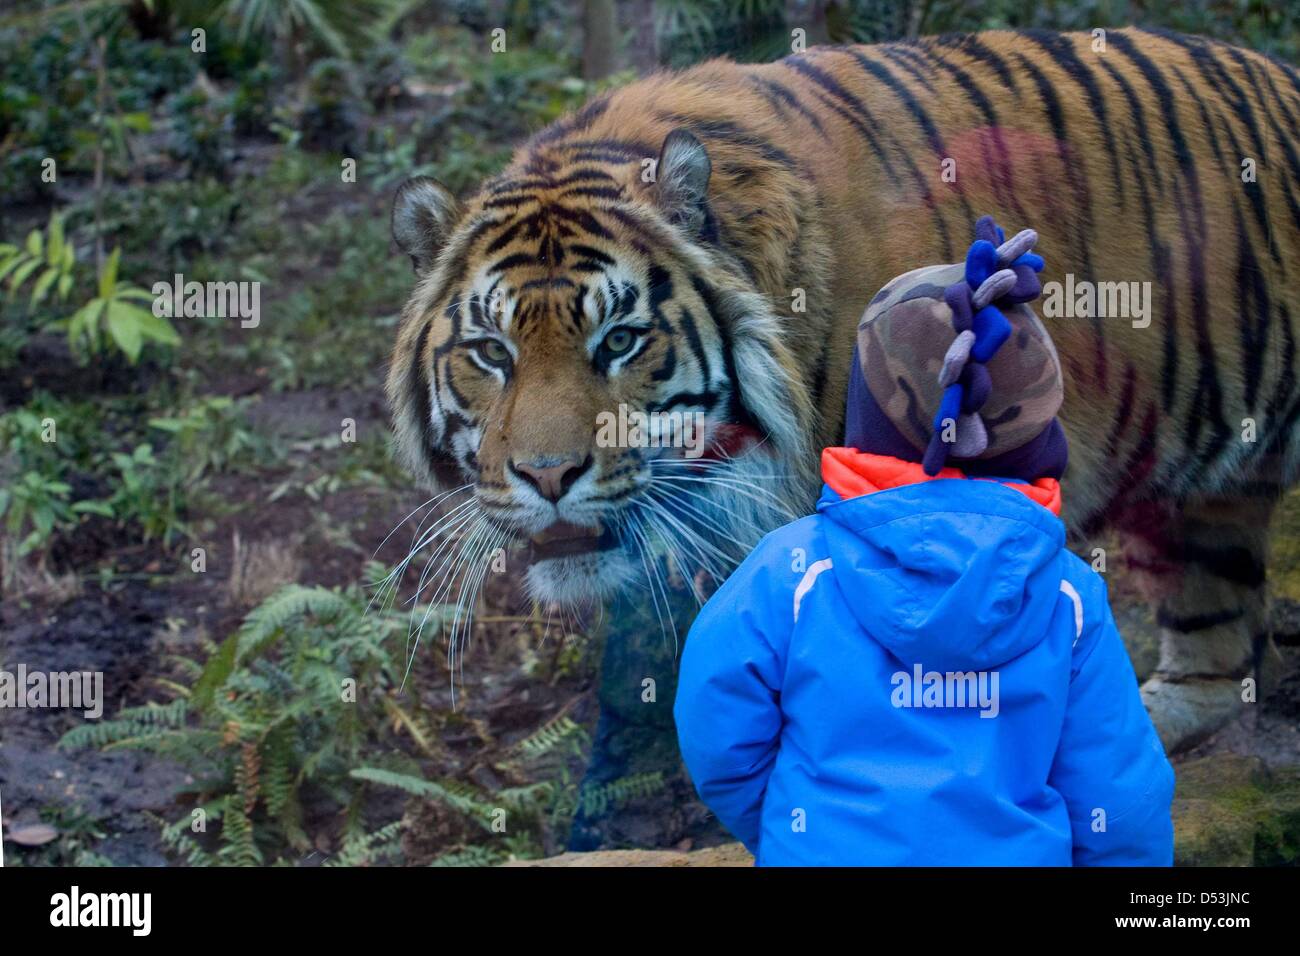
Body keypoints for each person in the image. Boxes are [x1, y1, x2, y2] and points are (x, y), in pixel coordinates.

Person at [673, 217, 1175, 866]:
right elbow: (1119, 802)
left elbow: (716, 736)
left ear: (867, 418)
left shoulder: (790, 575)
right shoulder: (1068, 598)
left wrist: (790, 830)